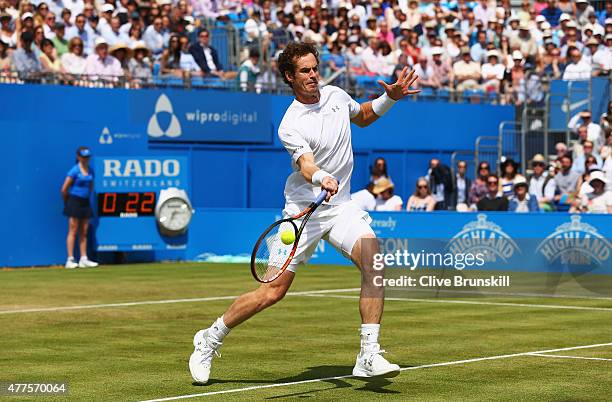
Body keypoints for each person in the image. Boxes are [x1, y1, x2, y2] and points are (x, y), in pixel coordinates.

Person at [188, 42, 420, 384]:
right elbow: (305, 163)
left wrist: (391, 98)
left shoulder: (338, 95)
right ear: (289, 76)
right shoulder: (290, 123)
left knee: (374, 261)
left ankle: (368, 355)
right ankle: (209, 338)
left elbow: (364, 117)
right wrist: (323, 176)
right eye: (304, 71)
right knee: (272, 292)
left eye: (314, 68)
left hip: (340, 208)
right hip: (302, 213)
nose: (313, 75)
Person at [60, 147, 98, 269]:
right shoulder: (74, 171)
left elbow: (91, 187)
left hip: (85, 202)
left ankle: (83, 259)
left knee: (84, 231)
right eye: (84, 157)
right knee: (73, 229)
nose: (86, 159)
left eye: (88, 157)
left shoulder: (91, 171)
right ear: (78, 157)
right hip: (74, 201)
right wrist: (68, 202)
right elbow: (64, 189)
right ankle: (70, 259)